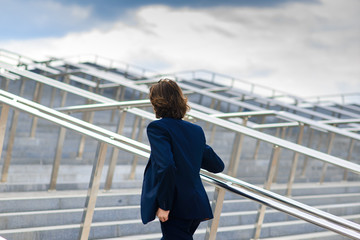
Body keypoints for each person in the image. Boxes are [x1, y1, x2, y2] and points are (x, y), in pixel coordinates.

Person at [140, 78, 225, 239]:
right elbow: (217, 165)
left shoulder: (157, 128)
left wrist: (165, 205)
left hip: (176, 207)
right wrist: (195, 144)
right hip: (195, 204)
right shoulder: (195, 130)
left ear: (156, 102)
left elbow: (166, 166)